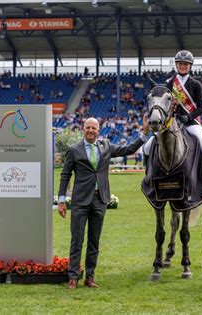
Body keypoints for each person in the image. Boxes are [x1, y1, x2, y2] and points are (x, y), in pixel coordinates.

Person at [58, 116, 149, 289]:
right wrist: (62, 200)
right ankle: (73, 277)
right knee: (76, 240)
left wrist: (144, 132)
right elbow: (65, 175)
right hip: (80, 201)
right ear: (83, 129)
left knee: (94, 241)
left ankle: (90, 277)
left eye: (94, 128)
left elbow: (128, 149)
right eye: (88, 127)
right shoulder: (74, 150)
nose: (91, 130)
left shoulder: (106, 146)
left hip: (100, 200)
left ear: (98, 131)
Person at [144, 50, 202, 165]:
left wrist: (188, 117)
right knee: (147, 147)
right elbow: (164, 103)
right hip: (171, 122)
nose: (182, 66)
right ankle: (148, 173)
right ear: (176, 65)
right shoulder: (169, 83)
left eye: (185, 64)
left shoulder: (196, 84)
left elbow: (201, 108)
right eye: (180, 63)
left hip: (191, 122)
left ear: (190, 66)